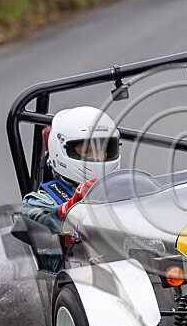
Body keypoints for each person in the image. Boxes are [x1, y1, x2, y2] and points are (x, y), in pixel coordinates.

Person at [22, 106, 120, 270]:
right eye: (88, 150)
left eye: (103, 149)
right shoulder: (38, 202)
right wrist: (73, 205)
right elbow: (37, 220)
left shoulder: (123, 189)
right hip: (78, 279)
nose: (98, 157)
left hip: (134, 272)